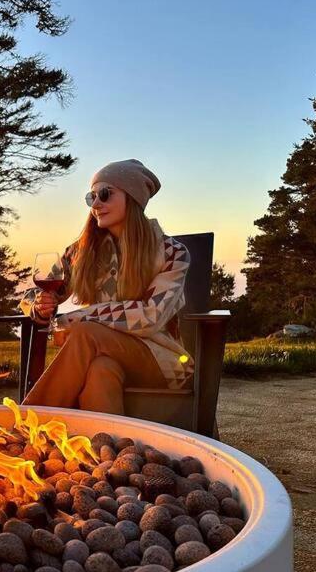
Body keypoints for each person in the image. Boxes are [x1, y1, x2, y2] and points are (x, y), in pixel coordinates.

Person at [21, 158, 195, 414]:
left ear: (133, 198)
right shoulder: (83, 252)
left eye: (105, 194)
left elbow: (151, 315)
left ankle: (27, 426)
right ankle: (105, 448)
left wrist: (78, 318)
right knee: (99, 370)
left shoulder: (171, 253)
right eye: (91, 197)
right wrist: (39, 304)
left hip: (162, 361)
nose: (96, 205)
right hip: (105, 355)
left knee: (86, 332)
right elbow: (31, 293)